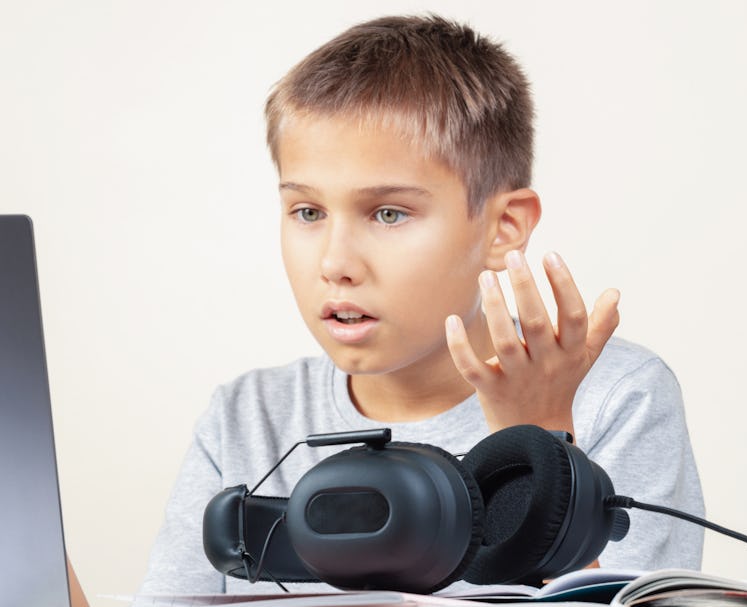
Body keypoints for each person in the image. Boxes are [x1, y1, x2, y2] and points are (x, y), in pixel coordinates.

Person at [137, 14, 704, 596]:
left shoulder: (618, 397)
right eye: (307, 212)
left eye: (389, 213)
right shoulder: (246, 416)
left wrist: (538, 437)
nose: (335, 262)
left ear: (503, 227)